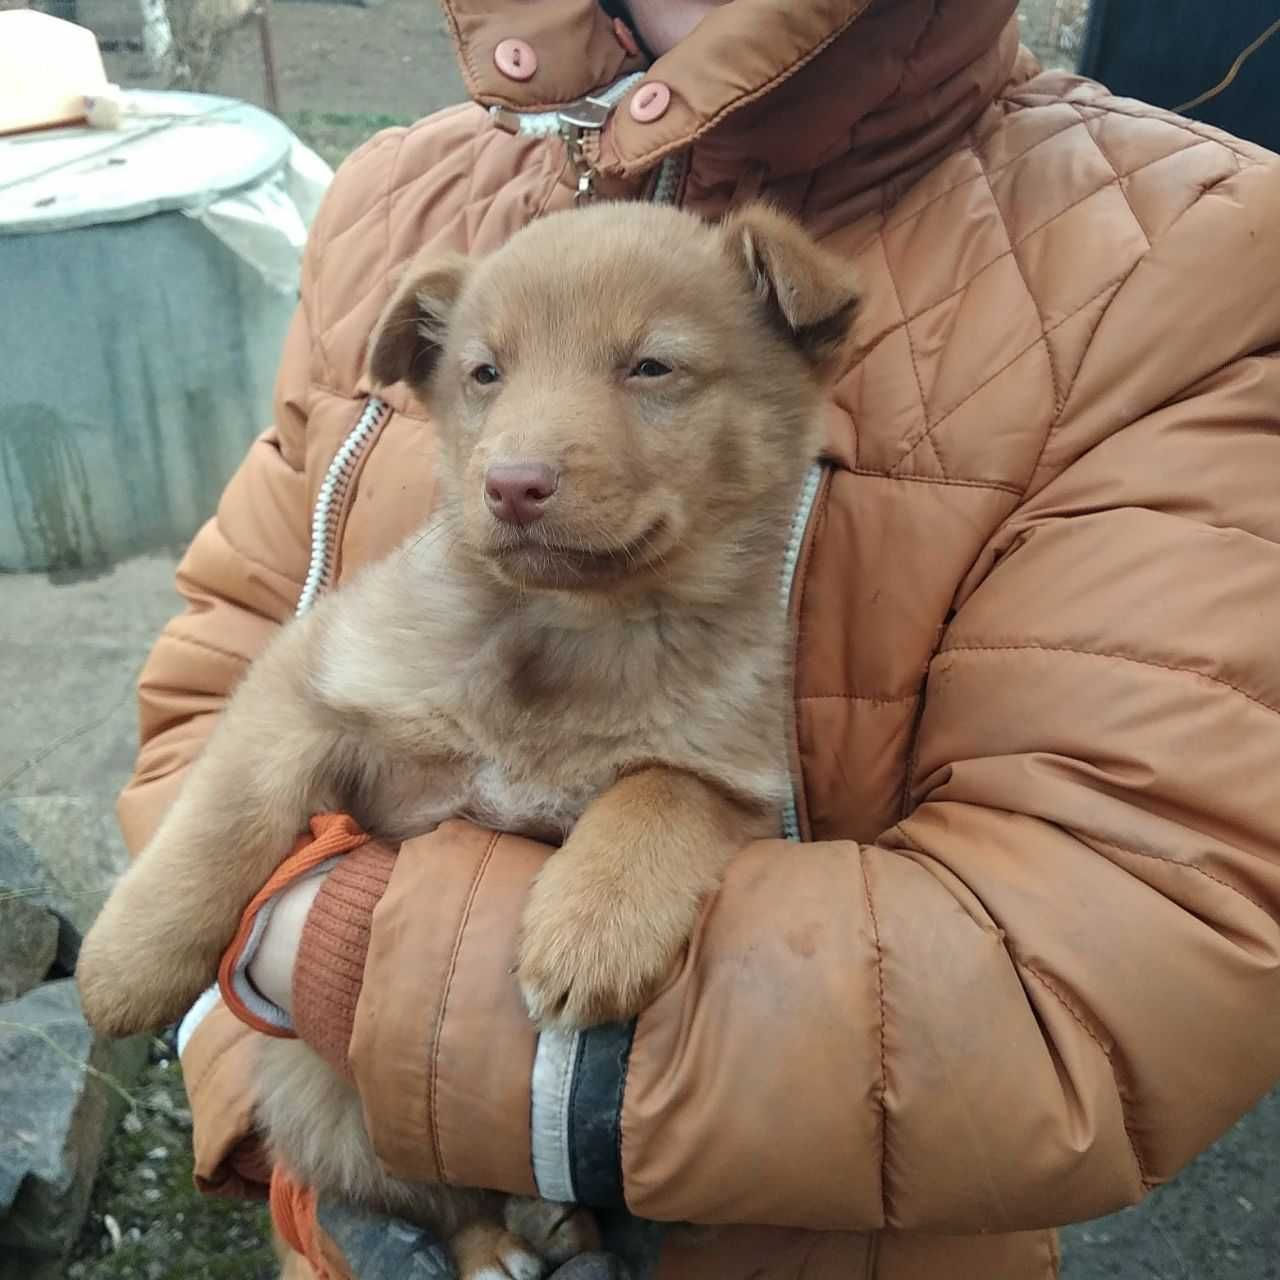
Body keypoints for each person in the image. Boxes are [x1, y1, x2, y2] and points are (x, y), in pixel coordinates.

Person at [115, 1, 1280, 1277]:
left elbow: (1100, 990)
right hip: (350, 1187)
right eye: (485, 381)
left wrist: (334, 953)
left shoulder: (1189, 253)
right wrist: (217, 950)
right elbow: (233, 652)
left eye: (651, 371)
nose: (517, 460)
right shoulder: (396, 194)